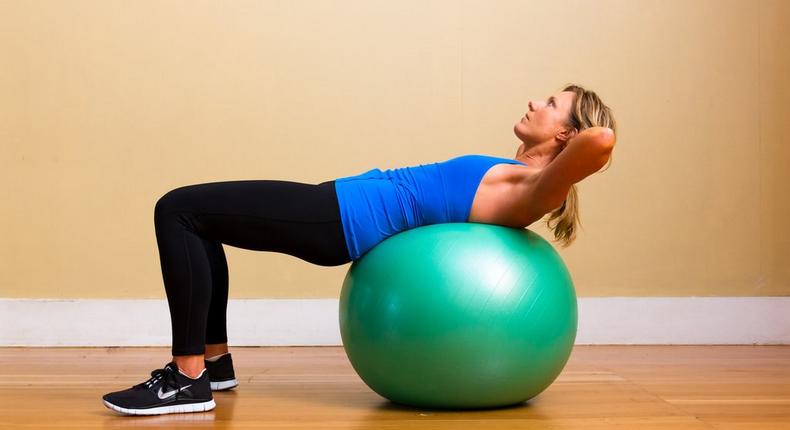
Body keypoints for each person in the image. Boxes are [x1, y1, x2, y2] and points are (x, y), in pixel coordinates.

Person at [102, 83, 617, 415]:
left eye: (551, 104)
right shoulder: (518, 174)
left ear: (567, 133)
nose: (533, 101)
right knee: (199, 220)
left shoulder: (533, 187)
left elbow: (602, 141)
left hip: (339, 219)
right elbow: (588, 140)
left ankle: (187, 378)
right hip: (337, 207)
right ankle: (213, 365)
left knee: (178, 209)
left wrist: (569, 153)